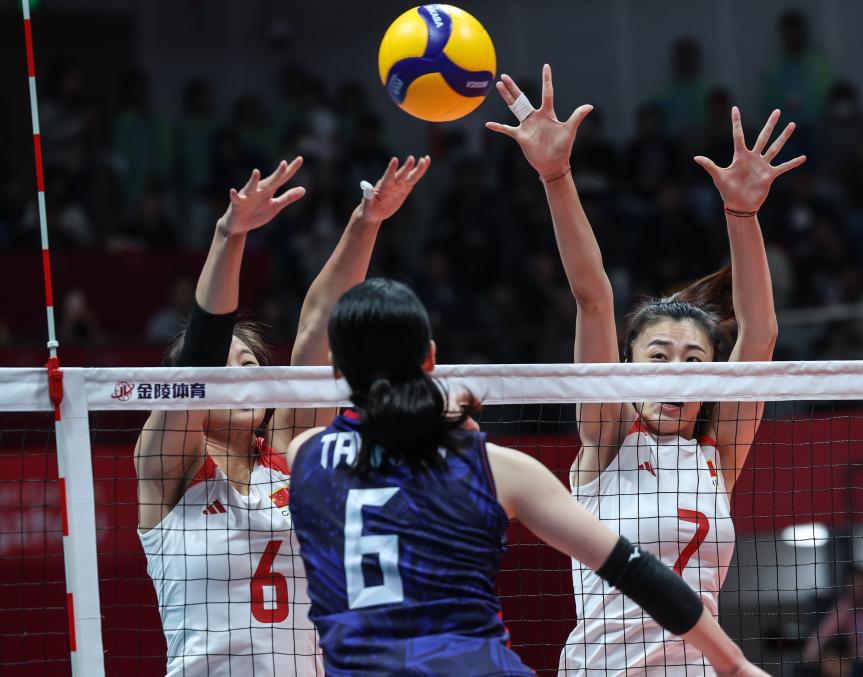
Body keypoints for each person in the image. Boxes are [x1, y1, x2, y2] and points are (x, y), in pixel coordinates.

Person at [487, 65, 803, 674]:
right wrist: (556, 175)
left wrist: (742, 215)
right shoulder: (607, 439)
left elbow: (760, 334)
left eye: (694, 361)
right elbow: (593, 297)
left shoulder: (718, 456)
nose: (675, 374)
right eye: (658, 357)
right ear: (626, 371)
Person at [286, 278, 766, 677]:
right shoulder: (493, 467)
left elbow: (313, 337)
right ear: (430, 359)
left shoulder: (305, 456)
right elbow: (630, 567)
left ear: (334, 369)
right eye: (659, 355)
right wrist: (734, 663)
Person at [135, 153, 430, 676]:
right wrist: (230, 236)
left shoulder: (293, 454)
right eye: (224, 369)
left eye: (249, 366)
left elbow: (319, 324)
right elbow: (199, 358)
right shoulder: (168, 469)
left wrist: (367, 219)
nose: (240, 378)